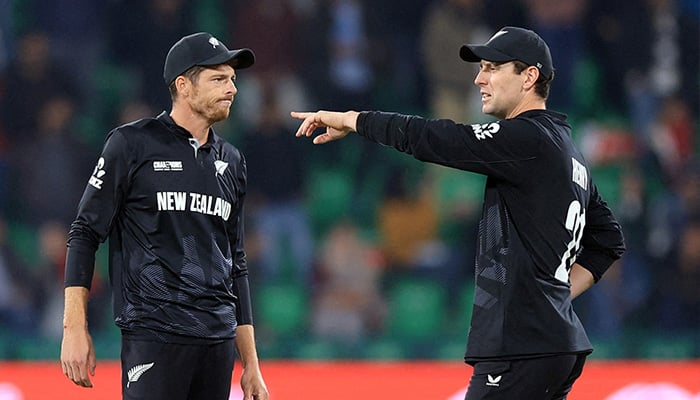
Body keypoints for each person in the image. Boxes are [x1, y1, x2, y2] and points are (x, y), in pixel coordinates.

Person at [292, 26, 625, 400]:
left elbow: (438, 139)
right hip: (547, 343)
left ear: (529, 76)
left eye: (492, 68)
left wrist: (355, 119)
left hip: (522, 346)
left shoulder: (528, 139)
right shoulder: (567, 150)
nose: (479, 79)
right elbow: (608, 241)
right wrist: (557, 297)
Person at [60, 32, 269, 400]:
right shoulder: (131, 145)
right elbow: (84, 233)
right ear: (183, 86)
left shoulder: (233, 162)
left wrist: (250, 362)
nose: (232, 88)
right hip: (154, 336)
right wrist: (74, 328)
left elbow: (235, 262)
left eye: (233, 79)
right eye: (219, 78)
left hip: (217, 343)